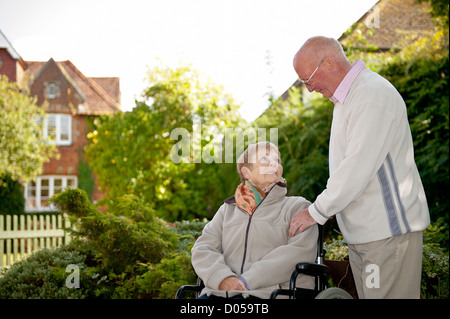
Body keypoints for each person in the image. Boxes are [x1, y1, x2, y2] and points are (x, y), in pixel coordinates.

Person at [289, 36, 430, 299]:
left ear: (328, 63)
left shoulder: (370, 94)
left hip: (387, 233)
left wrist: (317, 211)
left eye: (307, 80)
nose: (308, 89)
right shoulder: (348, 99)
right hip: (368, 236)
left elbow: (357, 166)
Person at [191, 141, 318, 299]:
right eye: (265, 159)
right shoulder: (227, 209)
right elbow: (203, 248)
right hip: (222, 292)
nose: (274, 163)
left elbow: (300, 251)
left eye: (277, 160)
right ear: (246, 172)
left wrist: (247, 280)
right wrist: (222, 278)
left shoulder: (297, 207)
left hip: (274, 293)